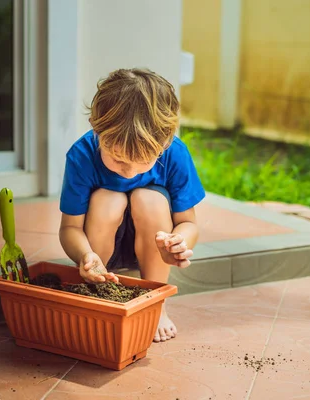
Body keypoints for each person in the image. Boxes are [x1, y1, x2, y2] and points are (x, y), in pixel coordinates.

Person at [58, 68, 205, 342]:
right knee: (108, 198)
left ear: (165, 141)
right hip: (100, 254)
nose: (128, 172)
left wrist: (178, 243)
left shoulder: (174, 152)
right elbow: (70, 228)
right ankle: (95, 291)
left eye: (142, 163)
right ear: (96, 127)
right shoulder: (82, 155)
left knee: (148, 198)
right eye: (118, 160)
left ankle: (155, 299)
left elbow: (188, 222)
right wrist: (84, 256)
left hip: (152, 251)